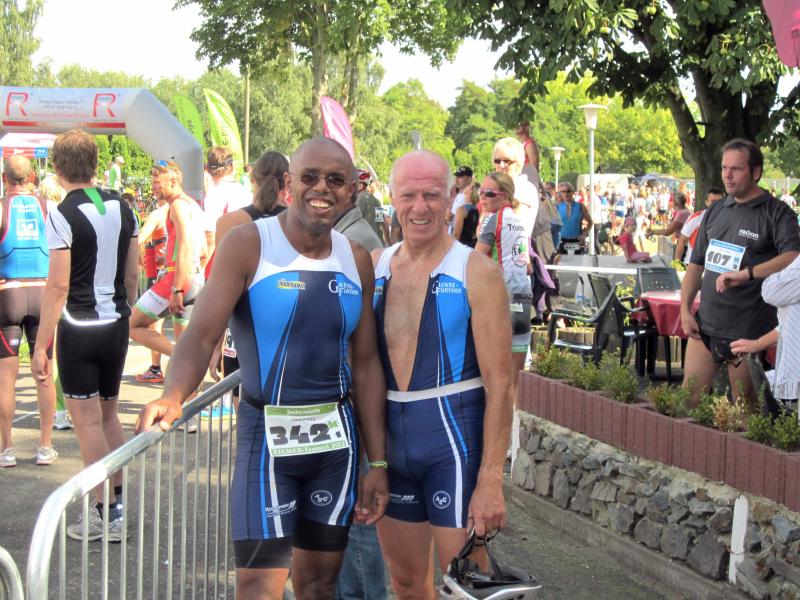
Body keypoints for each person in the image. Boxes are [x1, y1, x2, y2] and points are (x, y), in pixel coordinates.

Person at [136, 138, 388, 599]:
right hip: (266, 442)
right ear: (289, 183)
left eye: (336, 180)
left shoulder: (355, 259)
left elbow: (367, 364)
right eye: (310, 177)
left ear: (351, 191)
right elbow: (201, 335)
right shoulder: (250, 243)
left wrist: (379, 462)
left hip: (335, 448)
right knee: (257, 587)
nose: (322, 188)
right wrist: (173, 395)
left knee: (319, 584)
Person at [373, 150, 512, 598]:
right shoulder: (374, 266)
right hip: (391, 448)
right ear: (392, 198)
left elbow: (501, 385)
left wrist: (490, 481)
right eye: (408, 195)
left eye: (432, 195)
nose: (420, 207)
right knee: (406, 582)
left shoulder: (477, 272)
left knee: (467, 586)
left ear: (451, 196)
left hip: (453, 447)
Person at [32, 130, 138, 539]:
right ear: (95, 163)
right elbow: (132, 275)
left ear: (58, 167)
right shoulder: (123, 206)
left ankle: (102, 514)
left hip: (79, 328)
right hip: (116, 324)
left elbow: (57, 286)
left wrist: (41, 345)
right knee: (109, 418)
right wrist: (122, 308)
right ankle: (116, 511)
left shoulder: (61, 213)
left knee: (88, 425)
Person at [680, 139, 800, 409]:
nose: (727, 175)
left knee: (745, 410)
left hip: (749, 330)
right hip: (706, 326)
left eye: (736, 169)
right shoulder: (716, 210)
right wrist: (685, 311)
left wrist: (749, 273)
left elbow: (793, 258)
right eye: (724, 168)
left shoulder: (778, 213)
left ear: (755, 172)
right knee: (688, 402)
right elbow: (696, 265)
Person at [0, 156, 58, 467]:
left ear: (4, 178)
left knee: (5, 378)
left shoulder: (1, 207)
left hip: (8, 294)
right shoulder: (49, 208)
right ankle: (45, 447)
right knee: (44, 372)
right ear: (33, 177)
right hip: (42, 294)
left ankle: (6, 450)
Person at [129, 161, 206, 361]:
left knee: (132, 325)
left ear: (172, 181)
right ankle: (185, 368)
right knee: (185, 344)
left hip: (176, 281)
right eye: (152, 183)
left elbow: (185, 245)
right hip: (195, 280)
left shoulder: (178, 205)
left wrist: (177, 289)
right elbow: (204, 250)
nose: (153, 187)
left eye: (157, 183)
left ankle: (177, 356)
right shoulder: (193, 205)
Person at [474, 172, 533, 383]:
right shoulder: (519, 220)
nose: (483, 197)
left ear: (505, 196)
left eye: (490, 193)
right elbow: (527, 266)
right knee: (514, 378)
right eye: (481, 192)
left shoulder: (493, 220)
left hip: (501, 300)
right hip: (523, 299)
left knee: (495, 377)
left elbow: (476, 260)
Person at [36, 175, 72, 431]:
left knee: (49, 355)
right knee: (61, 354)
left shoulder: (38, 214)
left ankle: (58, 411)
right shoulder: (67, 215)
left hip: (38, 287)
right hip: (66, 290)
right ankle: (62, 411)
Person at [202, 146, 252, 274]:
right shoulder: (246, 192)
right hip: (247, 260)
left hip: (223, 265)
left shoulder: (214, 195)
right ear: (232, 167)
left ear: (208, 169)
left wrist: (199, 272)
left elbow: (210, 238)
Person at [492, 138, 538, 239]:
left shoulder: (525, 189)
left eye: (507, 161)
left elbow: (513, 231)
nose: (502, 165)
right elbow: (481, 232)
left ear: (518, 163)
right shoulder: (494, 189)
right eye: (497, 161)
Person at [675, 187, 724, 265]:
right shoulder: (696, 217)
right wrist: (676, 265)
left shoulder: (728, 220)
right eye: (713, 201)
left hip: (714, 267)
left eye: (719, 202)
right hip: (692, 265)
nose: (716, 205)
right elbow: (681, 241)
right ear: (706, 202)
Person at [556, 182, 592, 254]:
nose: (566, 194)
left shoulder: (581, 206)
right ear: (561, 193)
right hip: (561, 241)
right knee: (562, 261)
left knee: (577, 260)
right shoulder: (557, 207)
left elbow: (590, 222)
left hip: (577, 240)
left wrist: (584, 234)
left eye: (568, 191)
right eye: (563, 191)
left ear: (573, 192)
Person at [451, 181, 481, 248]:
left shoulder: (461, 210)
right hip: (473, 247)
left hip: (461, 247)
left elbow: (456, 235)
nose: (466, 187)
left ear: (470, 192)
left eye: (469, 186)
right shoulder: (479, 210)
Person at [449, 165, 473, 231]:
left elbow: (451, 217)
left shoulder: (469, 197)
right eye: (456, 177)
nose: (456, 180)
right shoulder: (460, 194)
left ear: (469, 179)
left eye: (460, 177)